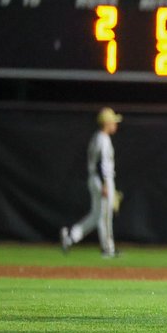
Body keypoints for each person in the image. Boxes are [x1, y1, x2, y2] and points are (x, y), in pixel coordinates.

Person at [61, 107, 123, 257]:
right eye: (113, 121)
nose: (115, 124)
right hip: (101, 180)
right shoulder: (104, 139)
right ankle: (108, 249)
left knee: (96, 216)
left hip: (94, 178)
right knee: (105, 216)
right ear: (107, 123)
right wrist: (106, 184)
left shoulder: (97, 137)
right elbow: (103, 164)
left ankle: (70, 237)